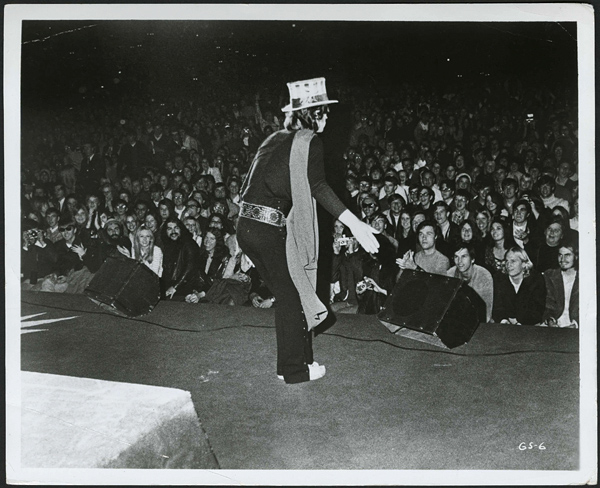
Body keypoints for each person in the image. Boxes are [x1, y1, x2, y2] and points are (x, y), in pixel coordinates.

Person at [237, 77, 379, 384]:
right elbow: (318, 186)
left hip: (246, 227)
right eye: (324, 111)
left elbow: (253, 184)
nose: (327, 117)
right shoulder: (309, 140)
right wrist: (355, 222)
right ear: (312, 113)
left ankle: (292, 363)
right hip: (267, 228)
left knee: (288, 295)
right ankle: (295, 370)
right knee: (293, 297)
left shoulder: (273, 138)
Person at [492, 247, 546, 325]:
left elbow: (537, 311)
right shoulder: (499, 278)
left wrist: (518, 322)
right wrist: (503, 320)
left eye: (513, 261)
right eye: (506, 261)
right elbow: (497, 307)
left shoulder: (536, 279)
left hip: (529, 325)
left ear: (523, 264)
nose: (508, 265)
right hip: (506, 325)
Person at [446, 244, 494, 322]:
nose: (459, 261)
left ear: (472, 259)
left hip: (479, 321)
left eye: (464, 256)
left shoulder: (483, 275)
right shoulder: (450, 274)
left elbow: (487, 311)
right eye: (456, 257)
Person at [542, 238, 579, 328]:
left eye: (567, 255)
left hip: (577, 326)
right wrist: (550, 320)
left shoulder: (585, 277)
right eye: (560, 255)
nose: (562, 259)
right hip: (554, 324)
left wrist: (575, 325)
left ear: (576, 256)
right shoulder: (550, 275)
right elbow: (548, 304)